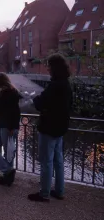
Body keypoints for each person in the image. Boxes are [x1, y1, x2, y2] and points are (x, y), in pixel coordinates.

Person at [28, 53, 73, 202]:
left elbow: (41, 103)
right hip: (60, 128)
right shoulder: (66, 84)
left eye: (48, 66)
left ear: (54, 67)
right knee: (58, 161)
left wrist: (36, 99)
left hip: (49, 128)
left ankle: (44, 193)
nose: (47, 68)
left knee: (46, 162)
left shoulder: (54, 85)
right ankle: (59, 191)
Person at [0, 73, 21, 186]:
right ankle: (8, 172)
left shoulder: (9, 93)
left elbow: (15, 112)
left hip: (7, 127)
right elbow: (6, 109)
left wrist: (12, 127)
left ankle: (7, 175)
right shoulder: (8, 92)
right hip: (3, 125)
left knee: (7, 153)